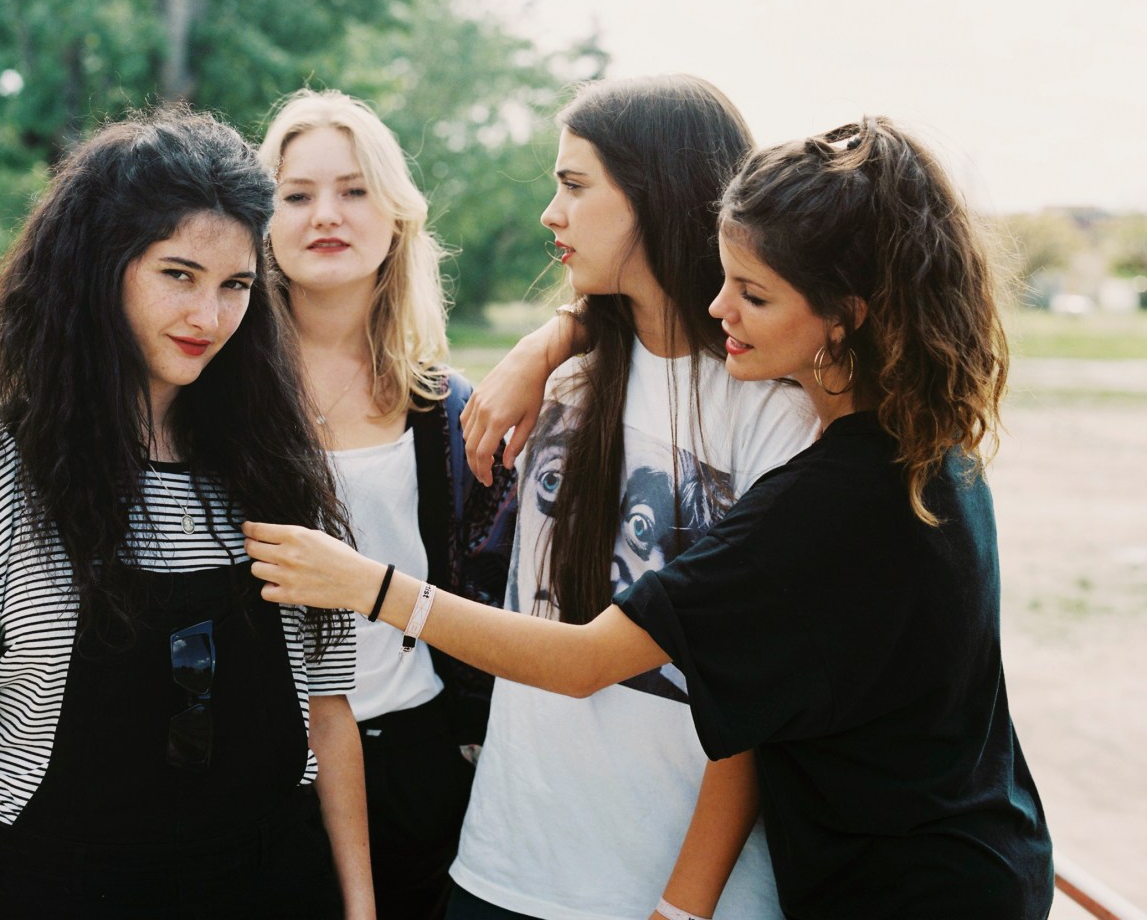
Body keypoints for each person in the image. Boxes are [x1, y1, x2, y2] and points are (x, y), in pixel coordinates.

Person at [244, 116, 1055, 920]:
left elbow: (589, 660)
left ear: (847, 314)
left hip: (909, 891)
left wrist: (369, 587)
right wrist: (559, 334)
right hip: (940, 861)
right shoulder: (926, 450)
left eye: (755, 292)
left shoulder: (833, 495)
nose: (722, 305)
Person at [286, 76, 817, 920]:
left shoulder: (774, 408)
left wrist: (686, 905)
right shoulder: (569, 380)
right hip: (502, 866)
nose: (550, 212)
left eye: (574, 185)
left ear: (657, 192)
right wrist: (555, 338)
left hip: (672, 886)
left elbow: (760, 697)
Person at [0, 105, 373, 919]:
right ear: (99, 268)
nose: (209, 318)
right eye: (177, 275)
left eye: (235, 287)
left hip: (263, 887)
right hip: (53, 890)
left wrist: (359, 910)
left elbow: (328, 718)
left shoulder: (279, 469)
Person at [257, 88, 517, 920]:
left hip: (412, 755)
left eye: (354, 189)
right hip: (260, 761)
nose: (325, 214)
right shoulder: (216, 396)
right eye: (296, 194)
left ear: (395, 214)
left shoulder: (447, 409)